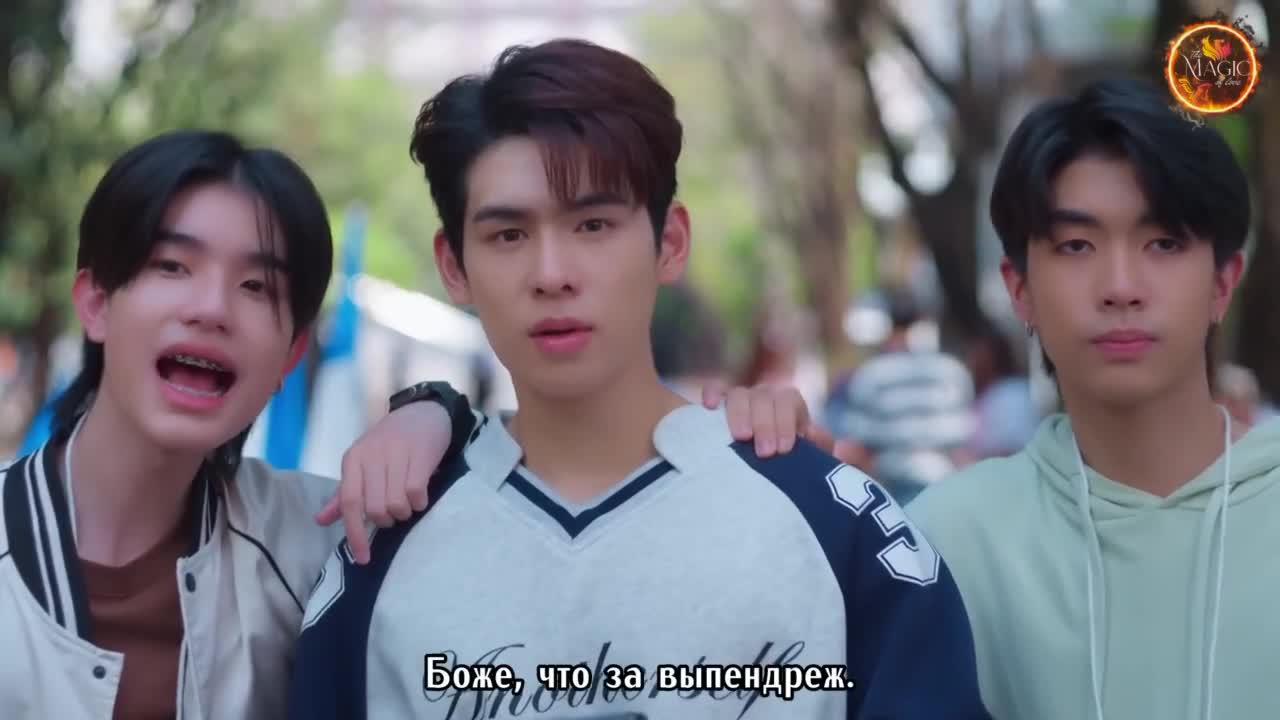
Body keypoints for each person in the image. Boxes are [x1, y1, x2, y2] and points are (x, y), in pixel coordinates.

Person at [288, 38, 988, 720]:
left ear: (670, 242)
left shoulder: (829, 522)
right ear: (453, 266)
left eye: (593, 225)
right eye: (509, 235)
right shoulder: (380, 549)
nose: (552, 274)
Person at [709, 78, 1280, 720]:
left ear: (1223, 283)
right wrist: (786, 512)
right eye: (1076, 245)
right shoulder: (943, 542)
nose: (1121, 286)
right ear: (1019, 290)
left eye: (1164, 243)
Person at [0, 130, 466, 720]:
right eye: (172, 266)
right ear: (95, 303)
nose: (212, 309)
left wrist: (436, 413)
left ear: (291, 355)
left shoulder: (316, 541)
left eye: (255, 286)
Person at [822, 286, 975, 503]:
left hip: (896, 489)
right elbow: (964, 442)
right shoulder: (952, 370)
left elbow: (859, 446)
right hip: (948, 485)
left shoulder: (872, 375)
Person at [965, 322, 1037, 459]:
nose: (973, 361)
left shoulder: (1013, 393)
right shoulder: (978, 395)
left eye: (980, 353)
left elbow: (1013, 449)